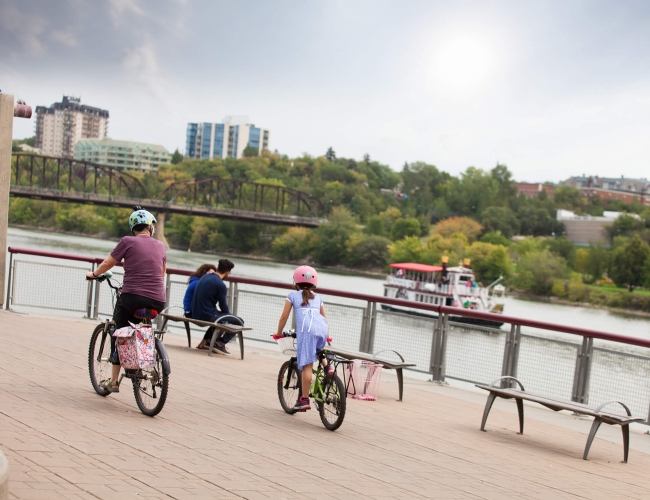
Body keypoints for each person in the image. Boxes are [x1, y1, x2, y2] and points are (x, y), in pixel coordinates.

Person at [85, 207, 167, 393]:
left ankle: (114, 381)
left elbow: (108, 264)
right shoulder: (161, 246)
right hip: (157, 300)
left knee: (120, 331)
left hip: (132, 298)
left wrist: (93, 274)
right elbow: (162, 273)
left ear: (133, 227)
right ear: (150, 228)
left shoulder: (127, 241)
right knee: (142, 328)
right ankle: (146, 359)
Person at [273, 266, 330, 412]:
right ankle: (327, 366)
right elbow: (323, 318)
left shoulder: (292, 295)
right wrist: (327, 334)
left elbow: (284, 317)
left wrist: (278, 333)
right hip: (322, 329)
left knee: (307, 365)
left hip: (307, 330)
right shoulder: (318, 297)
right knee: (317, 349)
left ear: (295, 281)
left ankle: (304, 399)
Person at [192, 259, 243, 355]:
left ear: (217, 268)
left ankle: (209, 342)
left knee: (220, 317)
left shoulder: (204, 277)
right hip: (206, 315)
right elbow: (223, 306)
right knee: (239, 321)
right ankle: (219, 343)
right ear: (227, 272)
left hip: (195, 313)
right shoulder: (220, 284)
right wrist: (229, 316)